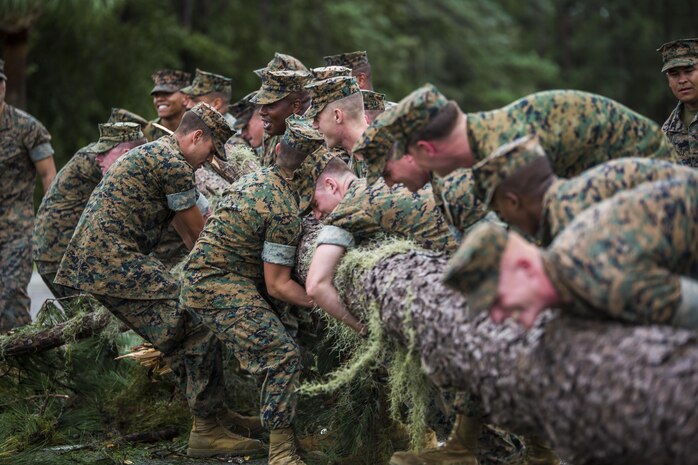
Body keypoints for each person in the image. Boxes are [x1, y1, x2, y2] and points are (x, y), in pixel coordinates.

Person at [54, 104, 262, 457]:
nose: (208, 161)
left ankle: (213, 412)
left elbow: (188, 235)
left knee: (179, 326)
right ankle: (207, 430)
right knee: (197, 321)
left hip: (104, 260)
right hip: (111, 262)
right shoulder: (174, 165)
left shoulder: (157, 154)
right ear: (197, 136)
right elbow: (200, 235)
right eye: (211, 151)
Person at [180, 115, 321, 465]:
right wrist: (322, 303)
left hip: (207, 277)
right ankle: (282, 452)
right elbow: (277, 285)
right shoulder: (283, 209)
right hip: (216, 284)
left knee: (283, 332)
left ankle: (276, 426)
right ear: (308, 172)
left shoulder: (258, 179)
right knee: (281, 355)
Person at [444, 176, 698, 330]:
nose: (497, 317)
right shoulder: (566, 261)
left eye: (497, 299)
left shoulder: (605, 278)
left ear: (525, 267)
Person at [359, 84, 678, 188]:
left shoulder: (512, 152)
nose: (390, 184)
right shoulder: (486, 138)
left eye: (389, 172)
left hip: (663, 189)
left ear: (425, 148)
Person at [304, 152, 457, 334]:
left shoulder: (349, 208)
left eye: (315, 204)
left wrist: (363, 329)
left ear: (331, 185)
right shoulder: (378, 182)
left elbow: (315, 285)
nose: (317, 216)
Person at [471, 135, 697, 244]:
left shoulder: (572, 221)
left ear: (513, 202)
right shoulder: (572, 198)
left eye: (500, 211)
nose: (504, 220)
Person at [33, 122, 146, 298]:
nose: (99, 156)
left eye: (104, 151)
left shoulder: (94, 156)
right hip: (62, 256)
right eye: (100, 151)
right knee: (89, 316)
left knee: (85, 317)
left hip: (56, 253)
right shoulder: (94, 162)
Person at [0, 58, 57, 331]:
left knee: (11, 293)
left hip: (16, 228)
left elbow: (48, 175)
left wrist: (49, 218)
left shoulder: (27, 128)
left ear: (2, 87)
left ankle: (19, 360)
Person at [253, 68, 312, 166]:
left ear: (295, 106)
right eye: (262, 105)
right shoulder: (281, 131)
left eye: (270, 106)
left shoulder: (314, 142)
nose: (261, 112)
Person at [657, 38, 698, 166]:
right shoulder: (667, 131)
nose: (682, 80)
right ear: (668, 80)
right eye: (674, 74)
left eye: (688, 71)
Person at [143, 69, 191, 141]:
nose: (159, 99)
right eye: (156, 95)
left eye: (167, 93)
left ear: (185, 98)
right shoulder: (146, 133)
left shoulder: (200, 130)